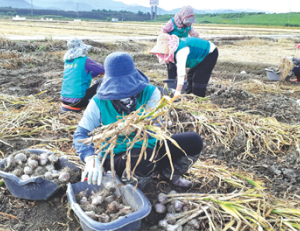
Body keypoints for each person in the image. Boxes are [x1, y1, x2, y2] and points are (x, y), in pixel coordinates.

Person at [73, 52, 203, 190]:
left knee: (193, 141)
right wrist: (90, 158)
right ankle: (126, 190)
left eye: (129, 90)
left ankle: (168, 174)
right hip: (118, 156)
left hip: (151, 147)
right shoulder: (98, 102)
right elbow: (80, 135)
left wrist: (130, 126)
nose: (125, 95)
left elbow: (150, 125)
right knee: (144, 156)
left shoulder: (151, 92)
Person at [150, 33, 218, 97]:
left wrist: (178, 91)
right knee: (190, 75)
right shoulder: (175, 46)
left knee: (199, 77)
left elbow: (181, 72)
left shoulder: (181, 51)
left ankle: (198, 99)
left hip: (209, 53)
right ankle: (188, 95)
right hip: (198, 56)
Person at [60, 38, 105, 112]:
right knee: (103, 82)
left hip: (64, 100)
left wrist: (97, 72)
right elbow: (104, 69)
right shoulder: (85, 60)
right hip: (78, 102)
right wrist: (100, 70)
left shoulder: (67, 61)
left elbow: (83, 76)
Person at [162, 5, 199, 80]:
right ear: (183, 15)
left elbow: (194, 34)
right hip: (171, 49)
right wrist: (170, 38)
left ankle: (181, 82)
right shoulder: (172, 22)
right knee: (171, 66)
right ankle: (172, 83)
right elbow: (163, 31)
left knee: (182, 65)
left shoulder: (189, 25)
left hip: (182, 48)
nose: (188, 22)